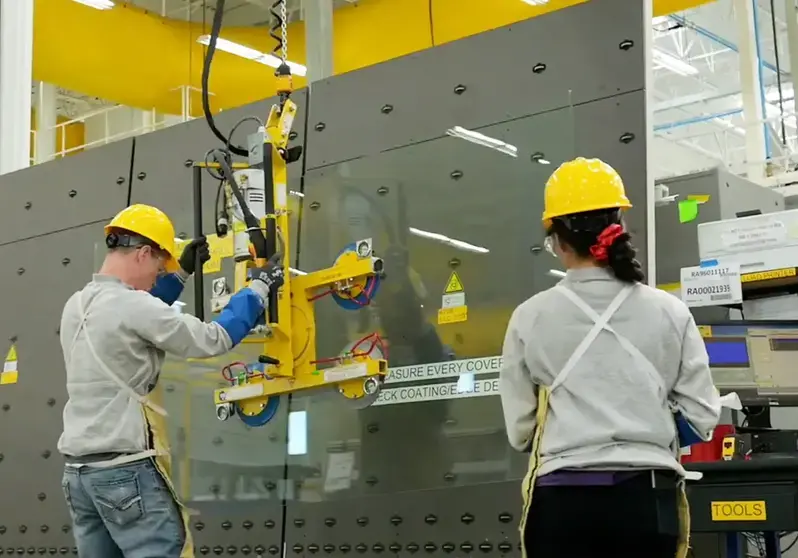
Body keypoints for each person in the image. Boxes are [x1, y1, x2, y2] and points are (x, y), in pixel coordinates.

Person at [499, 157, 721, 558]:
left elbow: (520, 432)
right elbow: (702, 418)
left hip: (563, 507)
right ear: (619, 224)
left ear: (557, 240)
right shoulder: (670, 311)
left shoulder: (529, 318)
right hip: (648, 503)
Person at [58, 204, 285, 558]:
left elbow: (135, 320)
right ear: (144, 253)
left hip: (80, 476)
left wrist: (181, 274)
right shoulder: (134, 307)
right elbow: (214, 338)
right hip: (125, 472)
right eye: (159, 267)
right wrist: (259, 287)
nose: (157, 275)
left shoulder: (77, 305)